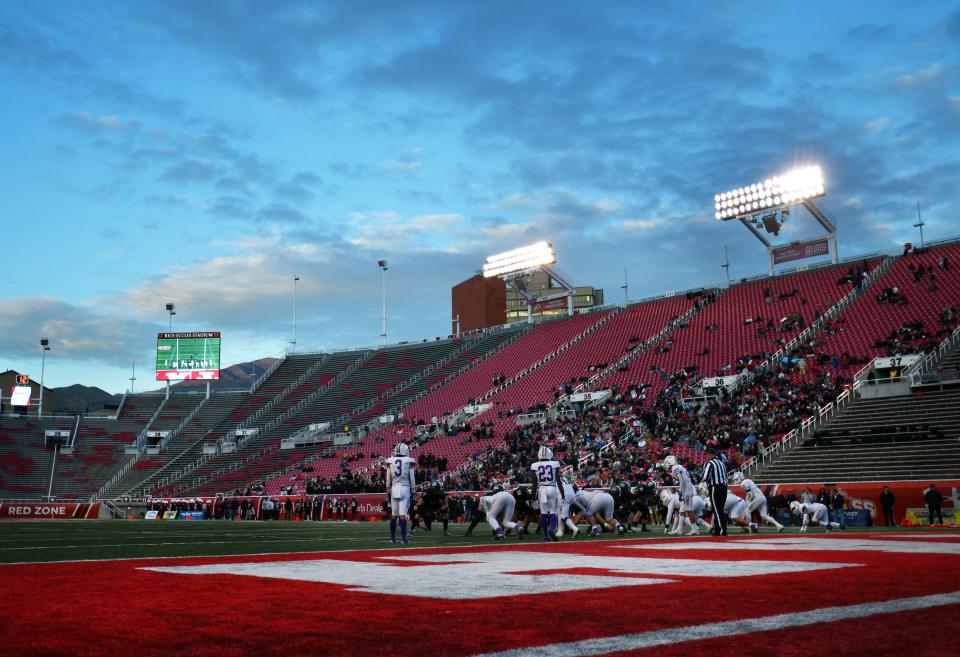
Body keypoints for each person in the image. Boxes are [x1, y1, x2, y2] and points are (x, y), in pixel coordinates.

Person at [530, 446, 565, 541]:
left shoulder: (534, 465)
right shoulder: (555, 464)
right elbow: (558, 480)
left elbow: (534, 483)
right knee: (553, 511)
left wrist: (533, 497)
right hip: (552, 488)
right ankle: (552, 529)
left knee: (543, 513)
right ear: (550, 454)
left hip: (541, 489)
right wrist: (563, 494)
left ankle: (545, 536)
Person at [385, 442, 416, 544]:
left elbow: (388, 478)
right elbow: (412, 477)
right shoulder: (409, 460)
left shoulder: (390, 460)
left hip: (394, 488)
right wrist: (413, 490)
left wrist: (388, 489)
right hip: (404, 488)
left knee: (394, 514)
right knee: (403, 514)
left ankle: (392, 538)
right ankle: (403, 539)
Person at [662, 455, 699, 536]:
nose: (665, 464)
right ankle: (679, 529)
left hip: (686, 490)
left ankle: (695, 529)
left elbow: (682, 481)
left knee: (689, 511)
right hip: (687, 489)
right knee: (681, 511)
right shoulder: (678, 467)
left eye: (666, 463)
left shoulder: (675, 468)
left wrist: (681, 492)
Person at [700, 448, 728, 536]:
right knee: (720, 509)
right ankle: (717, 530)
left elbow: (705, 477)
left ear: (710, 454)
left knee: (716, 510)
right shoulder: (722, 463)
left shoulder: (709, 463)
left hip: (715, 488)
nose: (706, 456)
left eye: (707, 454)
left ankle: (723, 530)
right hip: (724, 487)